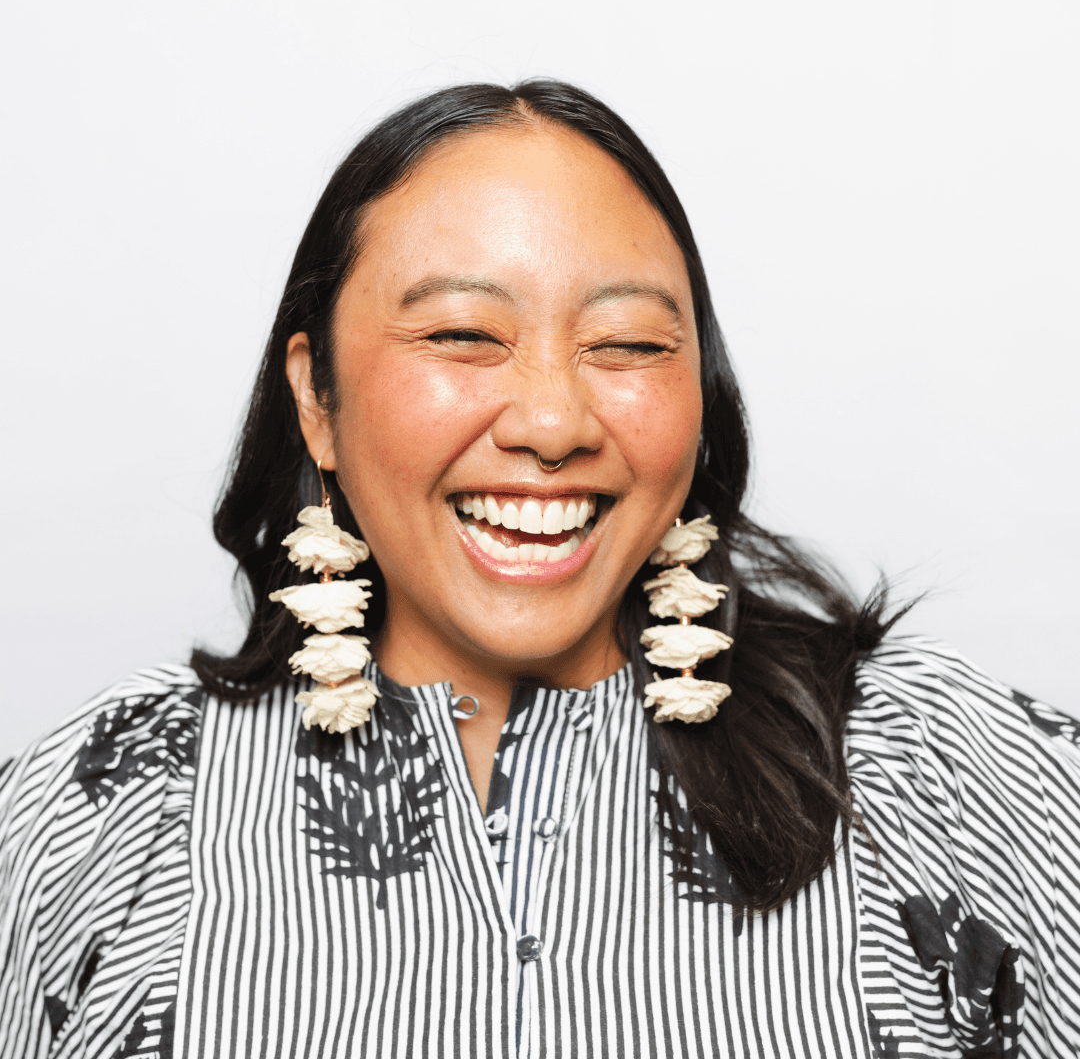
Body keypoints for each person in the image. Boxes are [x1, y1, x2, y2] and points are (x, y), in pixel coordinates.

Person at [1, 80, 1077, 1059]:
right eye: (466, 334)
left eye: (629, 347)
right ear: (317, 398)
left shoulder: (920, 773)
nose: (555, 422)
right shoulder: (107, 818)